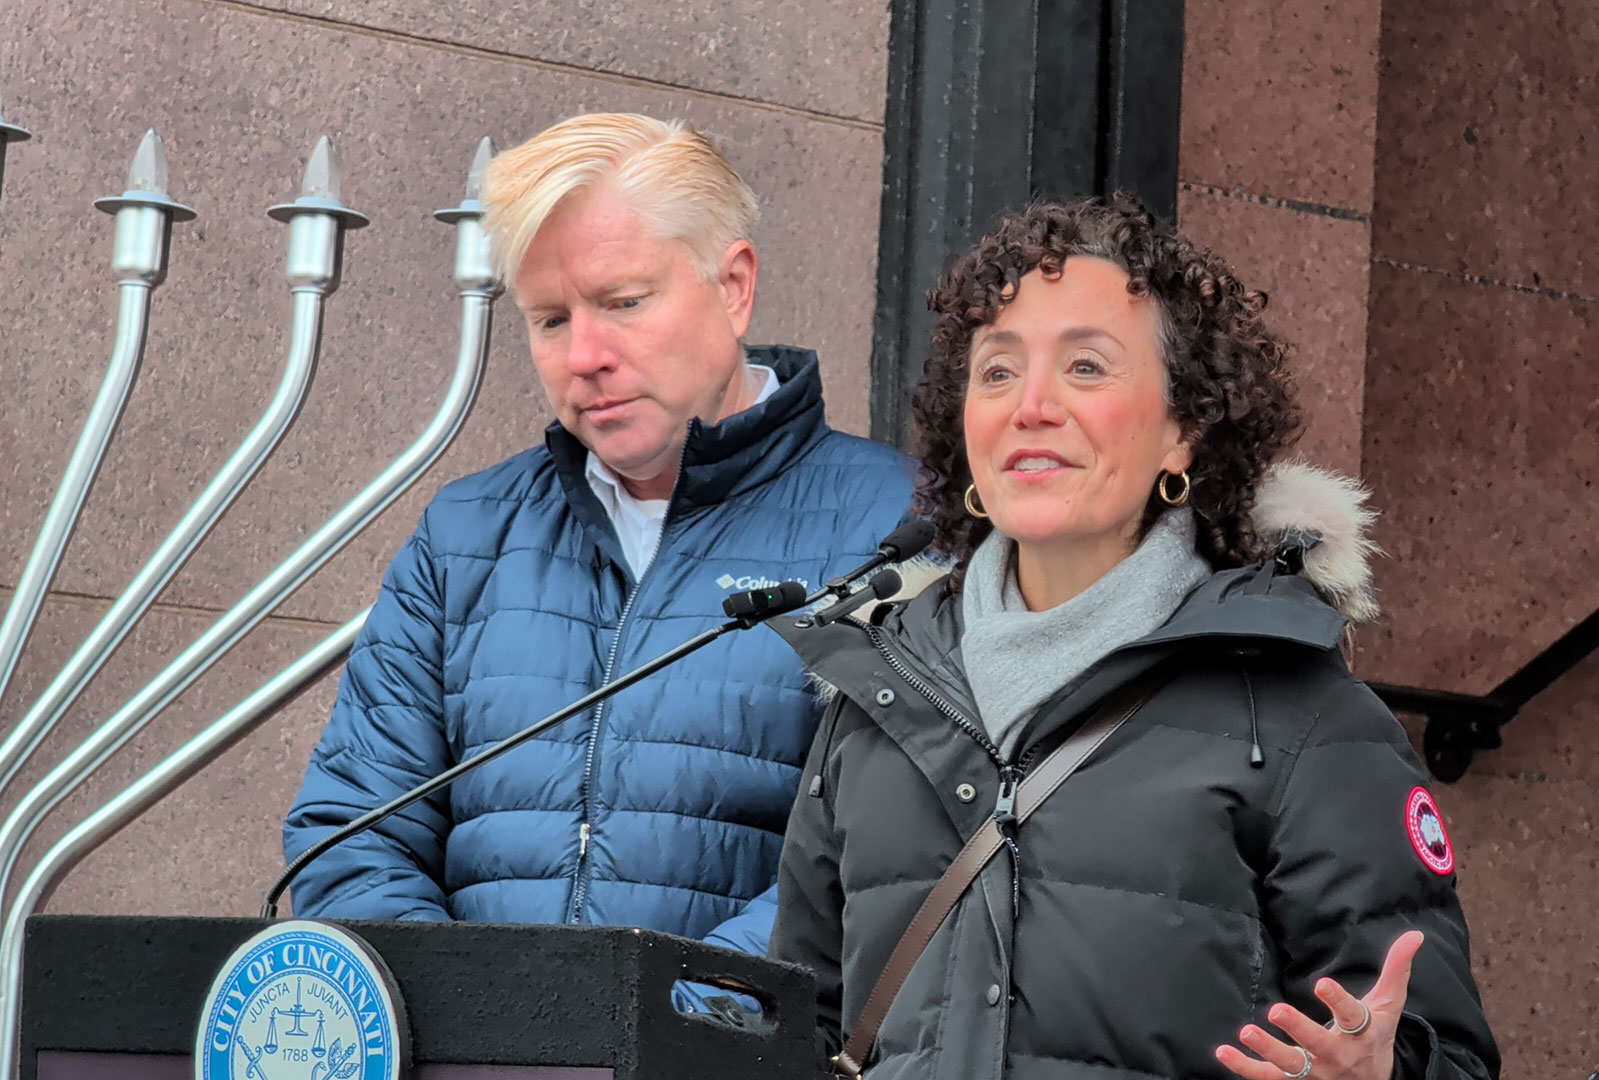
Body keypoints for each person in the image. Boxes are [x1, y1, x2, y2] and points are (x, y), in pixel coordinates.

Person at [768, 196, 1500, 1079]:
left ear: (1183, 429)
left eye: (1085, 367)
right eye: (996, 373)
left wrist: (1384, 1075)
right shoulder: (872, 697)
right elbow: (793, 1033)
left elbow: (1444, 1057)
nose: (1031, 406)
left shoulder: (1307, 720)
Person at [282, 113, 916, 1013]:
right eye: (550, 319)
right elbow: (352, 833)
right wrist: (480, 1040)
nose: (585, 357)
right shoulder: (465, 534)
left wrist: (651, 1037)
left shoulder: (897, 529)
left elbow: (888, 855)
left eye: (623, 301)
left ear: (733, 286)